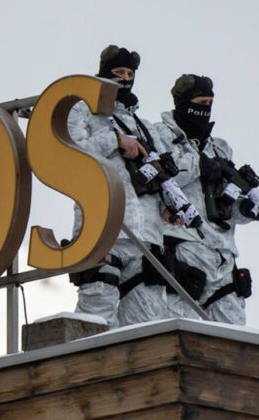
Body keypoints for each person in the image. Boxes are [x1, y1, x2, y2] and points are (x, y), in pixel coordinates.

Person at [67, 45, 169, 328]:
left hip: (146, 237)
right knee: (97, 318)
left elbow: (160, 175)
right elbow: (71, 154)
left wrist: (168, 207)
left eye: (130, 74)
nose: (124, 78)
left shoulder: (143, 125)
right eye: (118, 72)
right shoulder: (82, 110)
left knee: (146, 326)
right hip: (103, 227)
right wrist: (114, 140)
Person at [154, 74, 254, 324]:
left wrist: (247, 209)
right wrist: (199, 164)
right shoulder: (158, 135)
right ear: (183, 102)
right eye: (200, 103)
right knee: (181, 332)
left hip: (222, 255)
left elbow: (225, 203)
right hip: (182, 247)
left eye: (210, 103)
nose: (205, 109)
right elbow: (161, 177)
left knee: (233, 337)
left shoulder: (219, 148)